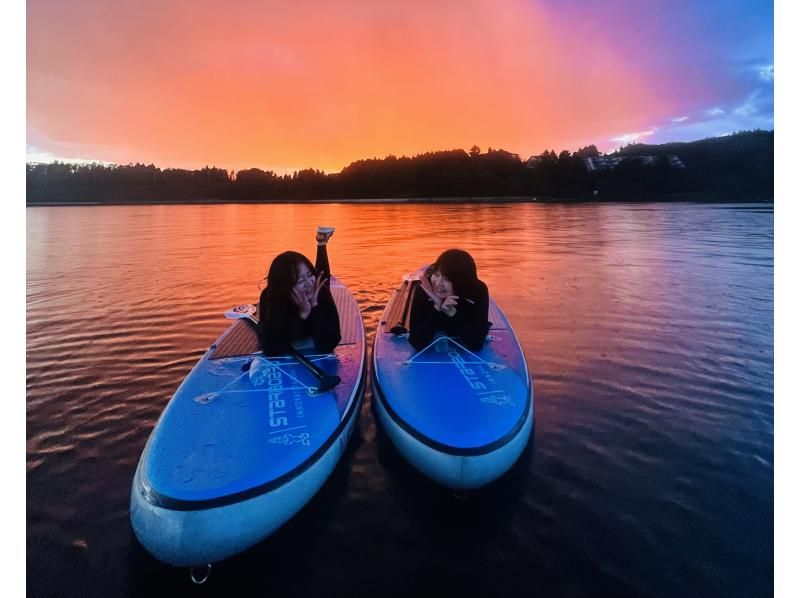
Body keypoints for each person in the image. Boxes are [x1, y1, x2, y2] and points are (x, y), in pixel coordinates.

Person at [258, 227, 341, 356]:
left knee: (321, 278)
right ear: (285, 285)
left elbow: (330, 343)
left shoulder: (320, 291)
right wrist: (302, 314)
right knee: (320, 278)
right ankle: (321, 243)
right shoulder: (271, 298)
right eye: (300, 280)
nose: (309, 283)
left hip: (317, 303)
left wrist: (314, 308)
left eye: (309, 274)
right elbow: (270, 348)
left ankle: (321, 244)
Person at [408, 248, 490, 352]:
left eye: (446, 279)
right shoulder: (423, 290)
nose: (438, 283)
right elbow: (416, 342)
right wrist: (437, 308)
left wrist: (453, 313)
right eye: (437, 275)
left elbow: (477, 344)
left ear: (461, 282)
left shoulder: (478, 290)